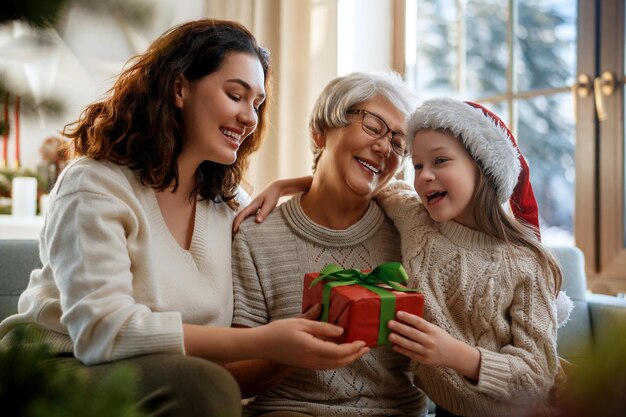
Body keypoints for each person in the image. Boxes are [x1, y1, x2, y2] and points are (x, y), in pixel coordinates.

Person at [0, 19, 369, 417]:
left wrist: (293, 185)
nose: (250, 118)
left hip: (167, 375)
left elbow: (295, 227)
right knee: (206, 387)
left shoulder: (226, 201)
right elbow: (101, 333)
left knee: (209, 385)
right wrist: (262, 342)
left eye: (257, 104)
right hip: (54, 369)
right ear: (180, 88)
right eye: (235, 95)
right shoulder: (94, 185)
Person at [230, 71, 428, 417]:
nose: (385, 147)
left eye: (398, 142)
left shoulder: (411, 232)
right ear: (320, 132)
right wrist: (291, 356)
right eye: (373, 125)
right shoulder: (256, 236)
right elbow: (235, 378)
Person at [375, 97, 562, 417]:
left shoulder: (527, 264)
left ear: (484, 167)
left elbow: (537, 378)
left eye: (441, 161)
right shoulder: (415, 219)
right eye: (418, 165)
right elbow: (369, 186)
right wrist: (289, 185)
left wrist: (455, 355)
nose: (424, 176)